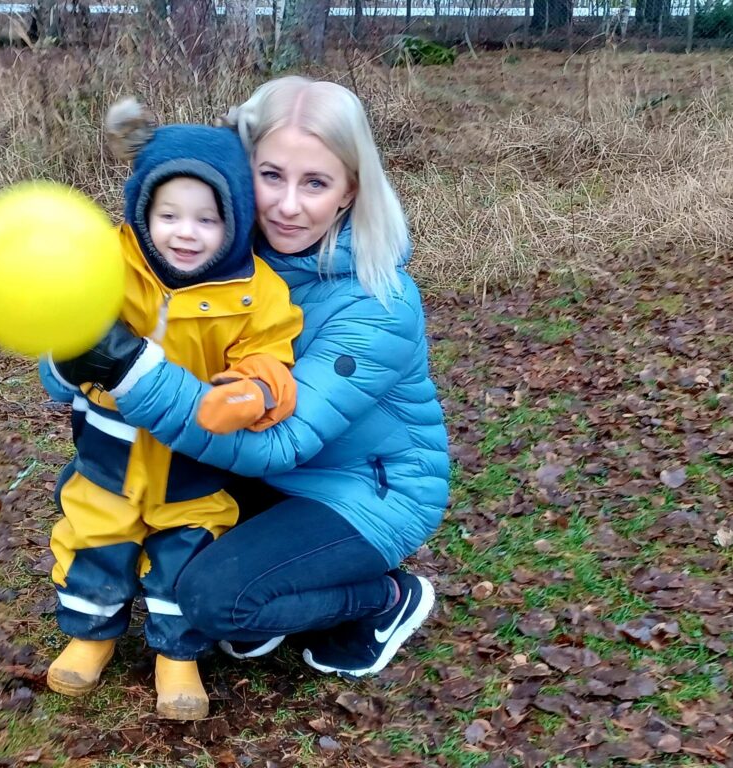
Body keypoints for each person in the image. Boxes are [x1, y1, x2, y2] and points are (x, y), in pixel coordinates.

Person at [51, 76, 450, 680]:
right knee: (128, 500)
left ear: (349, 192)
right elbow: (75, 364)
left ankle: (384, 600)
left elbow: (277, 440)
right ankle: (274, 585)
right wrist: (74, 350)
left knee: (212, 599)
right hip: (254, 477)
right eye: (271, 176)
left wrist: (130, 368)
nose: (288, 206)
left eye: (315, 182)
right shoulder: (213, 257)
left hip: (360, 491)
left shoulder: (377, 304)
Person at [41, 99, 302, 720]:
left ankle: (177, 656)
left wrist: (255, 391)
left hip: (191, 463)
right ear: (141, 212)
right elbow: (42, 289)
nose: (187, 232)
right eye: (170, 215)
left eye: (208, 220)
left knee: (186, 554)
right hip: (107, 455)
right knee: (93, 543)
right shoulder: (107, 262)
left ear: (237, 221)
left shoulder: (255, 291)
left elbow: (272, 354)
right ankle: (90, 635)